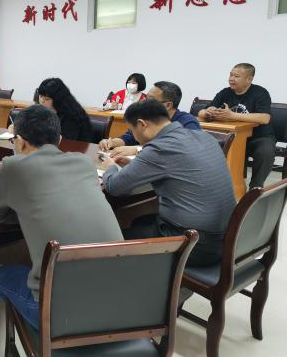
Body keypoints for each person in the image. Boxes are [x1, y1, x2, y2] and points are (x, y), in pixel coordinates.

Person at [0, 104, 123, 330]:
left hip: (64, 318)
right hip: (122, 304)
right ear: (59, 139)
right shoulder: (84, 162)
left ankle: (35, 339)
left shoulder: (13, 166)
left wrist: (25, 212)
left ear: (19, 142)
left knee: (3, 275)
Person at [101, 99, 235, 266]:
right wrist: (137, 166)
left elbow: (113, 186)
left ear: (142, 124)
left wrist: (110, 167)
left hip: (194, 246)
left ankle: (144, 275)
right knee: (139, 220)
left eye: (132, 130)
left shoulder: (159, 148)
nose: (133, 136)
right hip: (227, 238)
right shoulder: (204, 136)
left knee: (115, 237)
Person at [198, 63, 275, 189]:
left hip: (258, 137)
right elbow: (201, 113)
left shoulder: (260, 93)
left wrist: (232, 115)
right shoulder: (225, 92)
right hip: (232, 137)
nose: (231, 79)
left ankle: (255, 187)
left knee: (265, 152)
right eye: (230, 75)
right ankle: (223, 185)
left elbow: (265, 118)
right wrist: (208, 112)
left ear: (248, 79)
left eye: (236, 76)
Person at [99, 81, 201, 156]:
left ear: (168, 105)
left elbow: (184, 149)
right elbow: (129, 137)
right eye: (146, 98)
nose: (145, 102)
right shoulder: (145, 116)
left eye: (150, 99)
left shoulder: (187, 122)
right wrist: (112, 142)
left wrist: (137, 149)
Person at [35, 77, 92, 142]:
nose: (42, 101)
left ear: (58, 99)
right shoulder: (41, 110)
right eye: (40, 96)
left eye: (47, 99)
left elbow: (64, 142)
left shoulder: (71, 117)